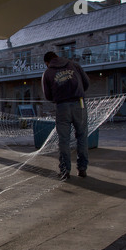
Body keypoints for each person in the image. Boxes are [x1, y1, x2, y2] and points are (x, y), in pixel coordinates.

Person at [41, 51, 90, 180]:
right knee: (82, 136)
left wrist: (60, 97)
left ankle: (65, 170)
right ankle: (82, 168)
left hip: (62, 106)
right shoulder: (74, 65)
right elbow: (86, 83)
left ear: (47, 62)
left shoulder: (48, 73)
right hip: (79, 103)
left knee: (63, 140)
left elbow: (47, 95)